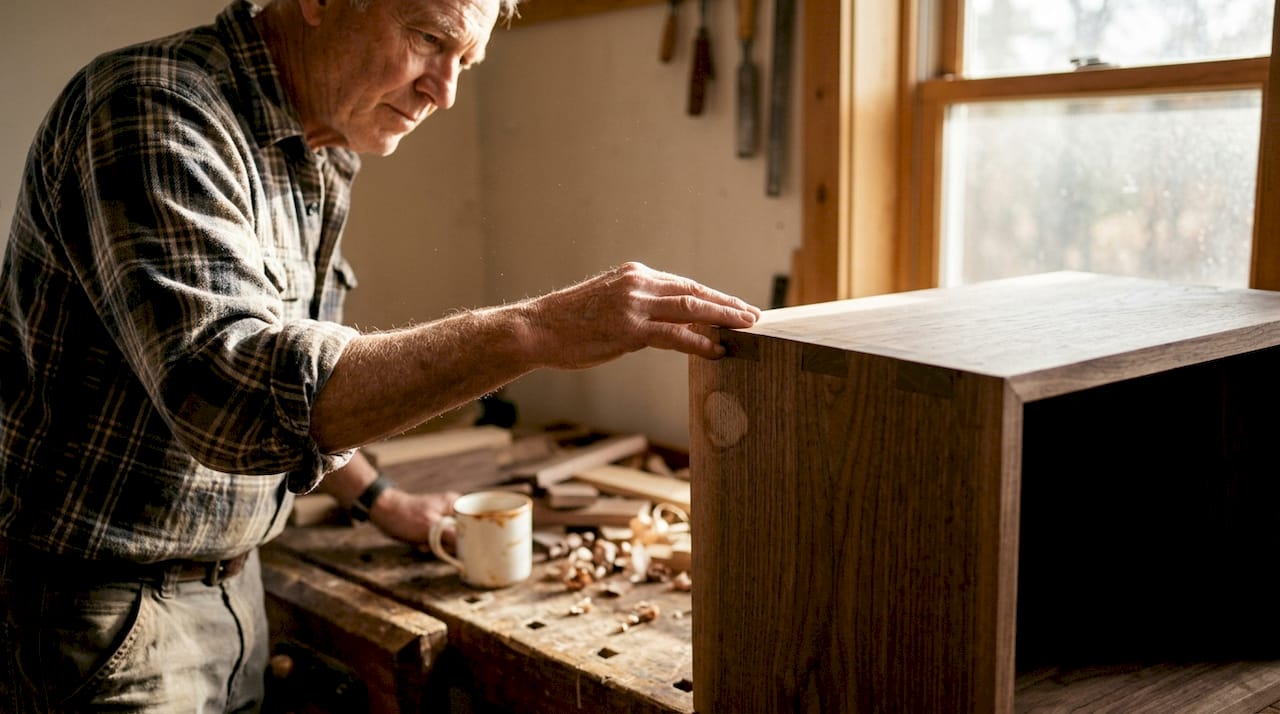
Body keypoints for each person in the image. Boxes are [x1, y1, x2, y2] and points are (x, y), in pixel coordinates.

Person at [0, 0, 762, 710]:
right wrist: (533, 331)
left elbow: (296, 394)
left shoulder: (319, 148)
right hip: (98, 607)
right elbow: (229, 396)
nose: (447, 91)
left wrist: (381, 501)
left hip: (234, 585)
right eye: (429, 38)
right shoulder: (153, 107)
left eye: (468, 59)